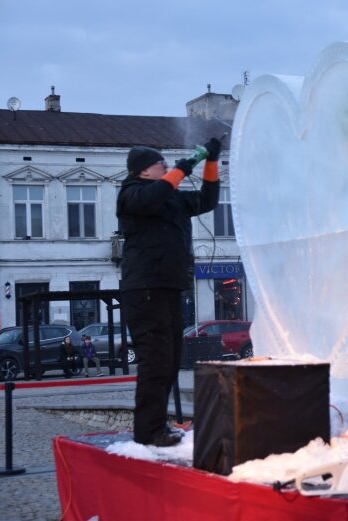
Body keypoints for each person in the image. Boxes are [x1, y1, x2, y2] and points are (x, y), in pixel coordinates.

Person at [117, 138, 221, 447]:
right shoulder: (131, 195)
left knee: (171, 359)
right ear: (142, 172)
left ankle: (157, 426)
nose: (165, 167)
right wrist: (183, 167)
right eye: (158, 164)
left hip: (169, 286)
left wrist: (211, 162)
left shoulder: (171, 198)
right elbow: (155, 196)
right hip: (144, 289)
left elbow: (208, 200)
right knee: (155, 360)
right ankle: (148, 431)